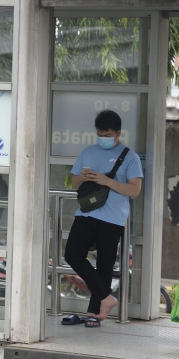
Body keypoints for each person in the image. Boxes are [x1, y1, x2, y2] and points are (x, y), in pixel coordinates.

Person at [64, 110, 143, 327]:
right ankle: (107, 298)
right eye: (100, 134)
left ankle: (94, 312)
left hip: (113, 218)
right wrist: (85, 177)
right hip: (87, 212)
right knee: (72, 254)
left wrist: (106, 180)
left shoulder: (130, 157)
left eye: (108, 135)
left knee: (105, 265)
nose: (104, 138)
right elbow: (74, 182)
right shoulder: (88, 151)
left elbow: (134, 190)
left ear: (118, 133)